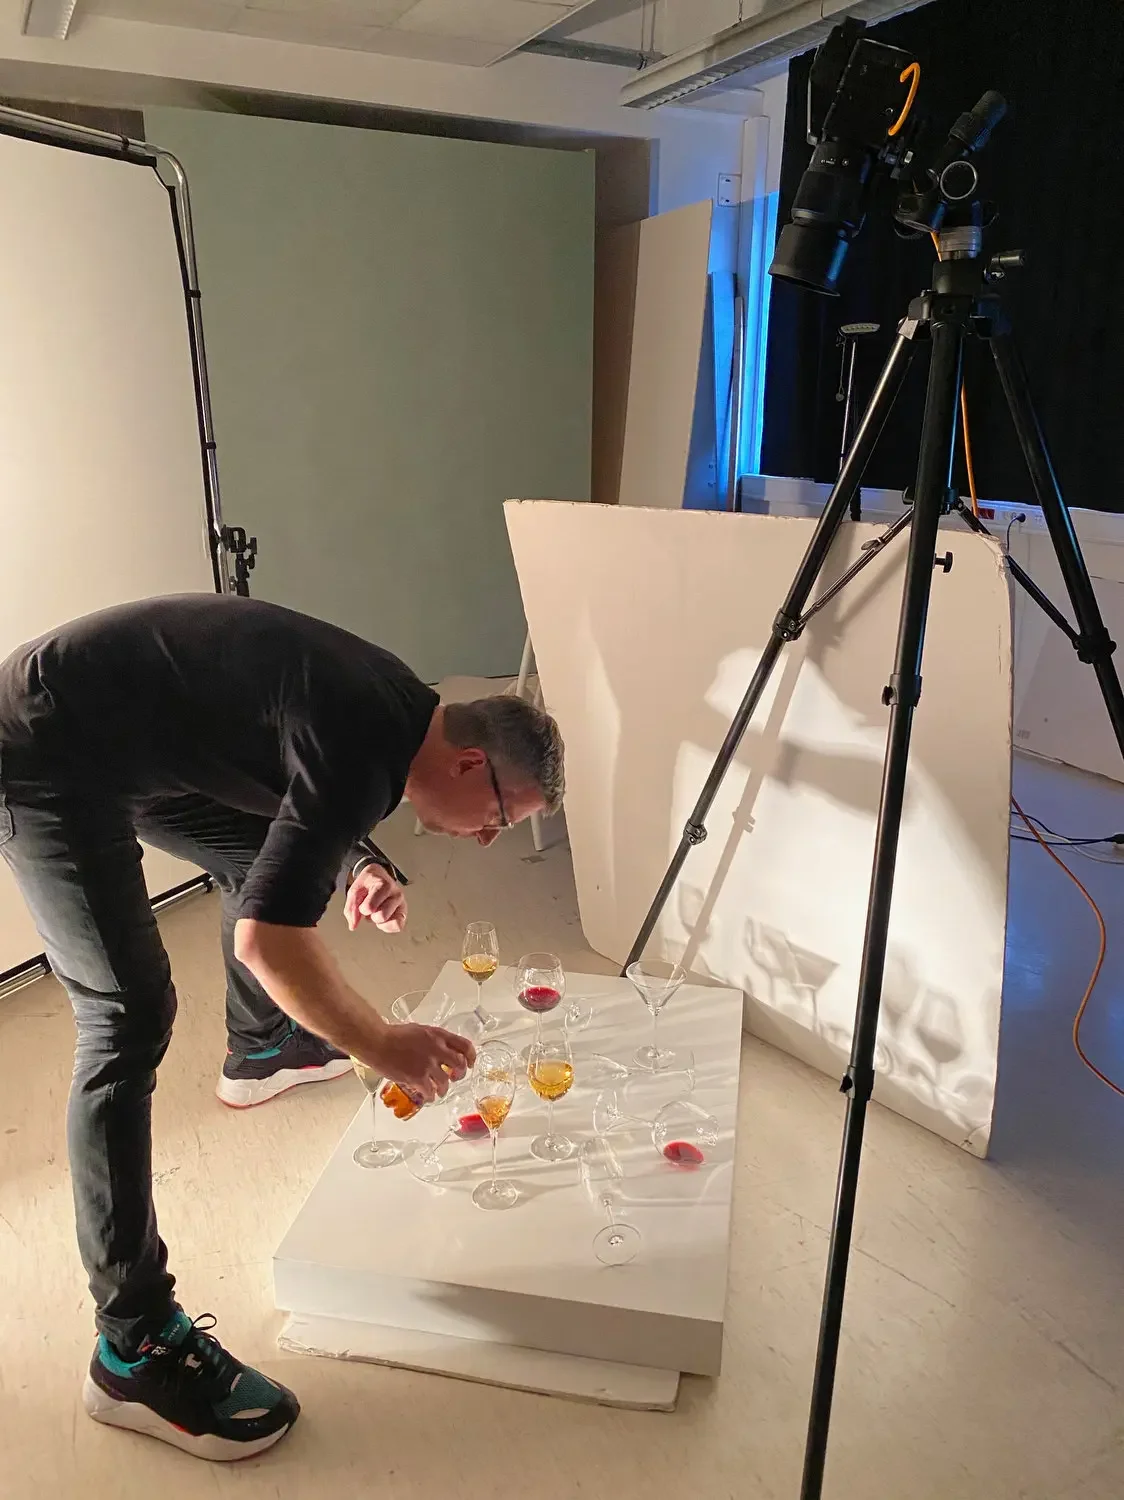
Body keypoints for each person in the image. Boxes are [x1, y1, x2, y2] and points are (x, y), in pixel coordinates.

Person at [0, 592, 563, 1462]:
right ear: (470, 764)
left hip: (123, 736)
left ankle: (265, 1048)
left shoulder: (398, 711)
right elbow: (271, 940)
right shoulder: (362, 744)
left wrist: (356, 858)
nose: (488, 840)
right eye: (503, 816)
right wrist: (382, 1045)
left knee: (255, 863)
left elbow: (292, 789)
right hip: (44, 748)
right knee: (127, 1015)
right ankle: (133, 1345)